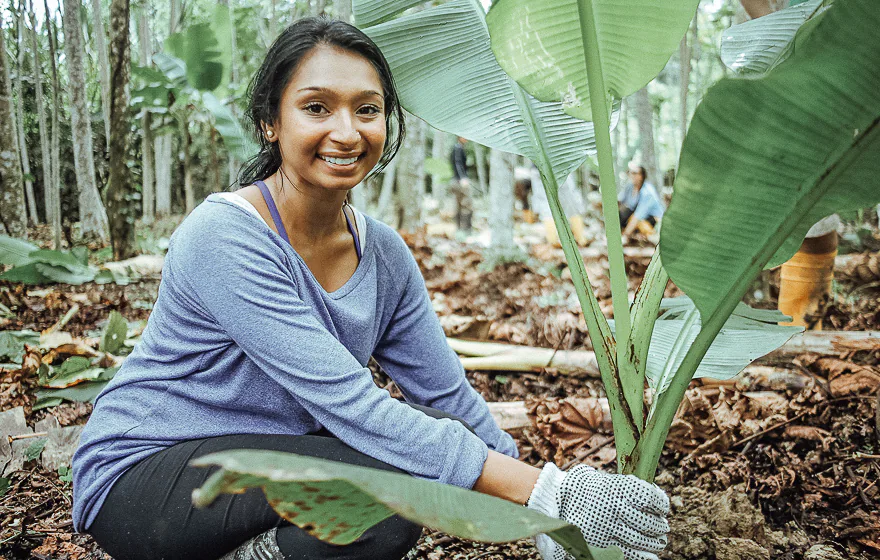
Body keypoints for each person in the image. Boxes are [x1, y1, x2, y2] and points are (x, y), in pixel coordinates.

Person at [71, 17, 670, 560]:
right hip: (144, 474)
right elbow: (352, 405)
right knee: (386, 495)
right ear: (270, 123)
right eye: (316, 107)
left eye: (367, 109)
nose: (347, 131)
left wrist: (540, 506)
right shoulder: (224, 235)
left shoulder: (382, 252)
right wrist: (545, 493)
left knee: (388, 497)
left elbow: (448, 398)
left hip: (259, 469)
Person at [619, 162, 665, 239]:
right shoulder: (630, 187)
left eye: (634, 173)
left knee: (637, 221)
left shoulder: (647, 192)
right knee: (624, 212)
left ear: (641, 176)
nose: (631, 175)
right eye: (630, 173)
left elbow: (638, 215)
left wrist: (625, 236)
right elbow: (619, 201)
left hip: (653, 220)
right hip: (639, 218)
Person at [449, 136, 473, 232]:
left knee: (461, 205)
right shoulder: (458, 148)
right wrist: (463, 178)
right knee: (466, 205)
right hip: (459, 181)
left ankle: (461, 229)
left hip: (457, 180)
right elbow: (457, 163)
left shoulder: (458, 148)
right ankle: (465, 229)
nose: (466, 139)